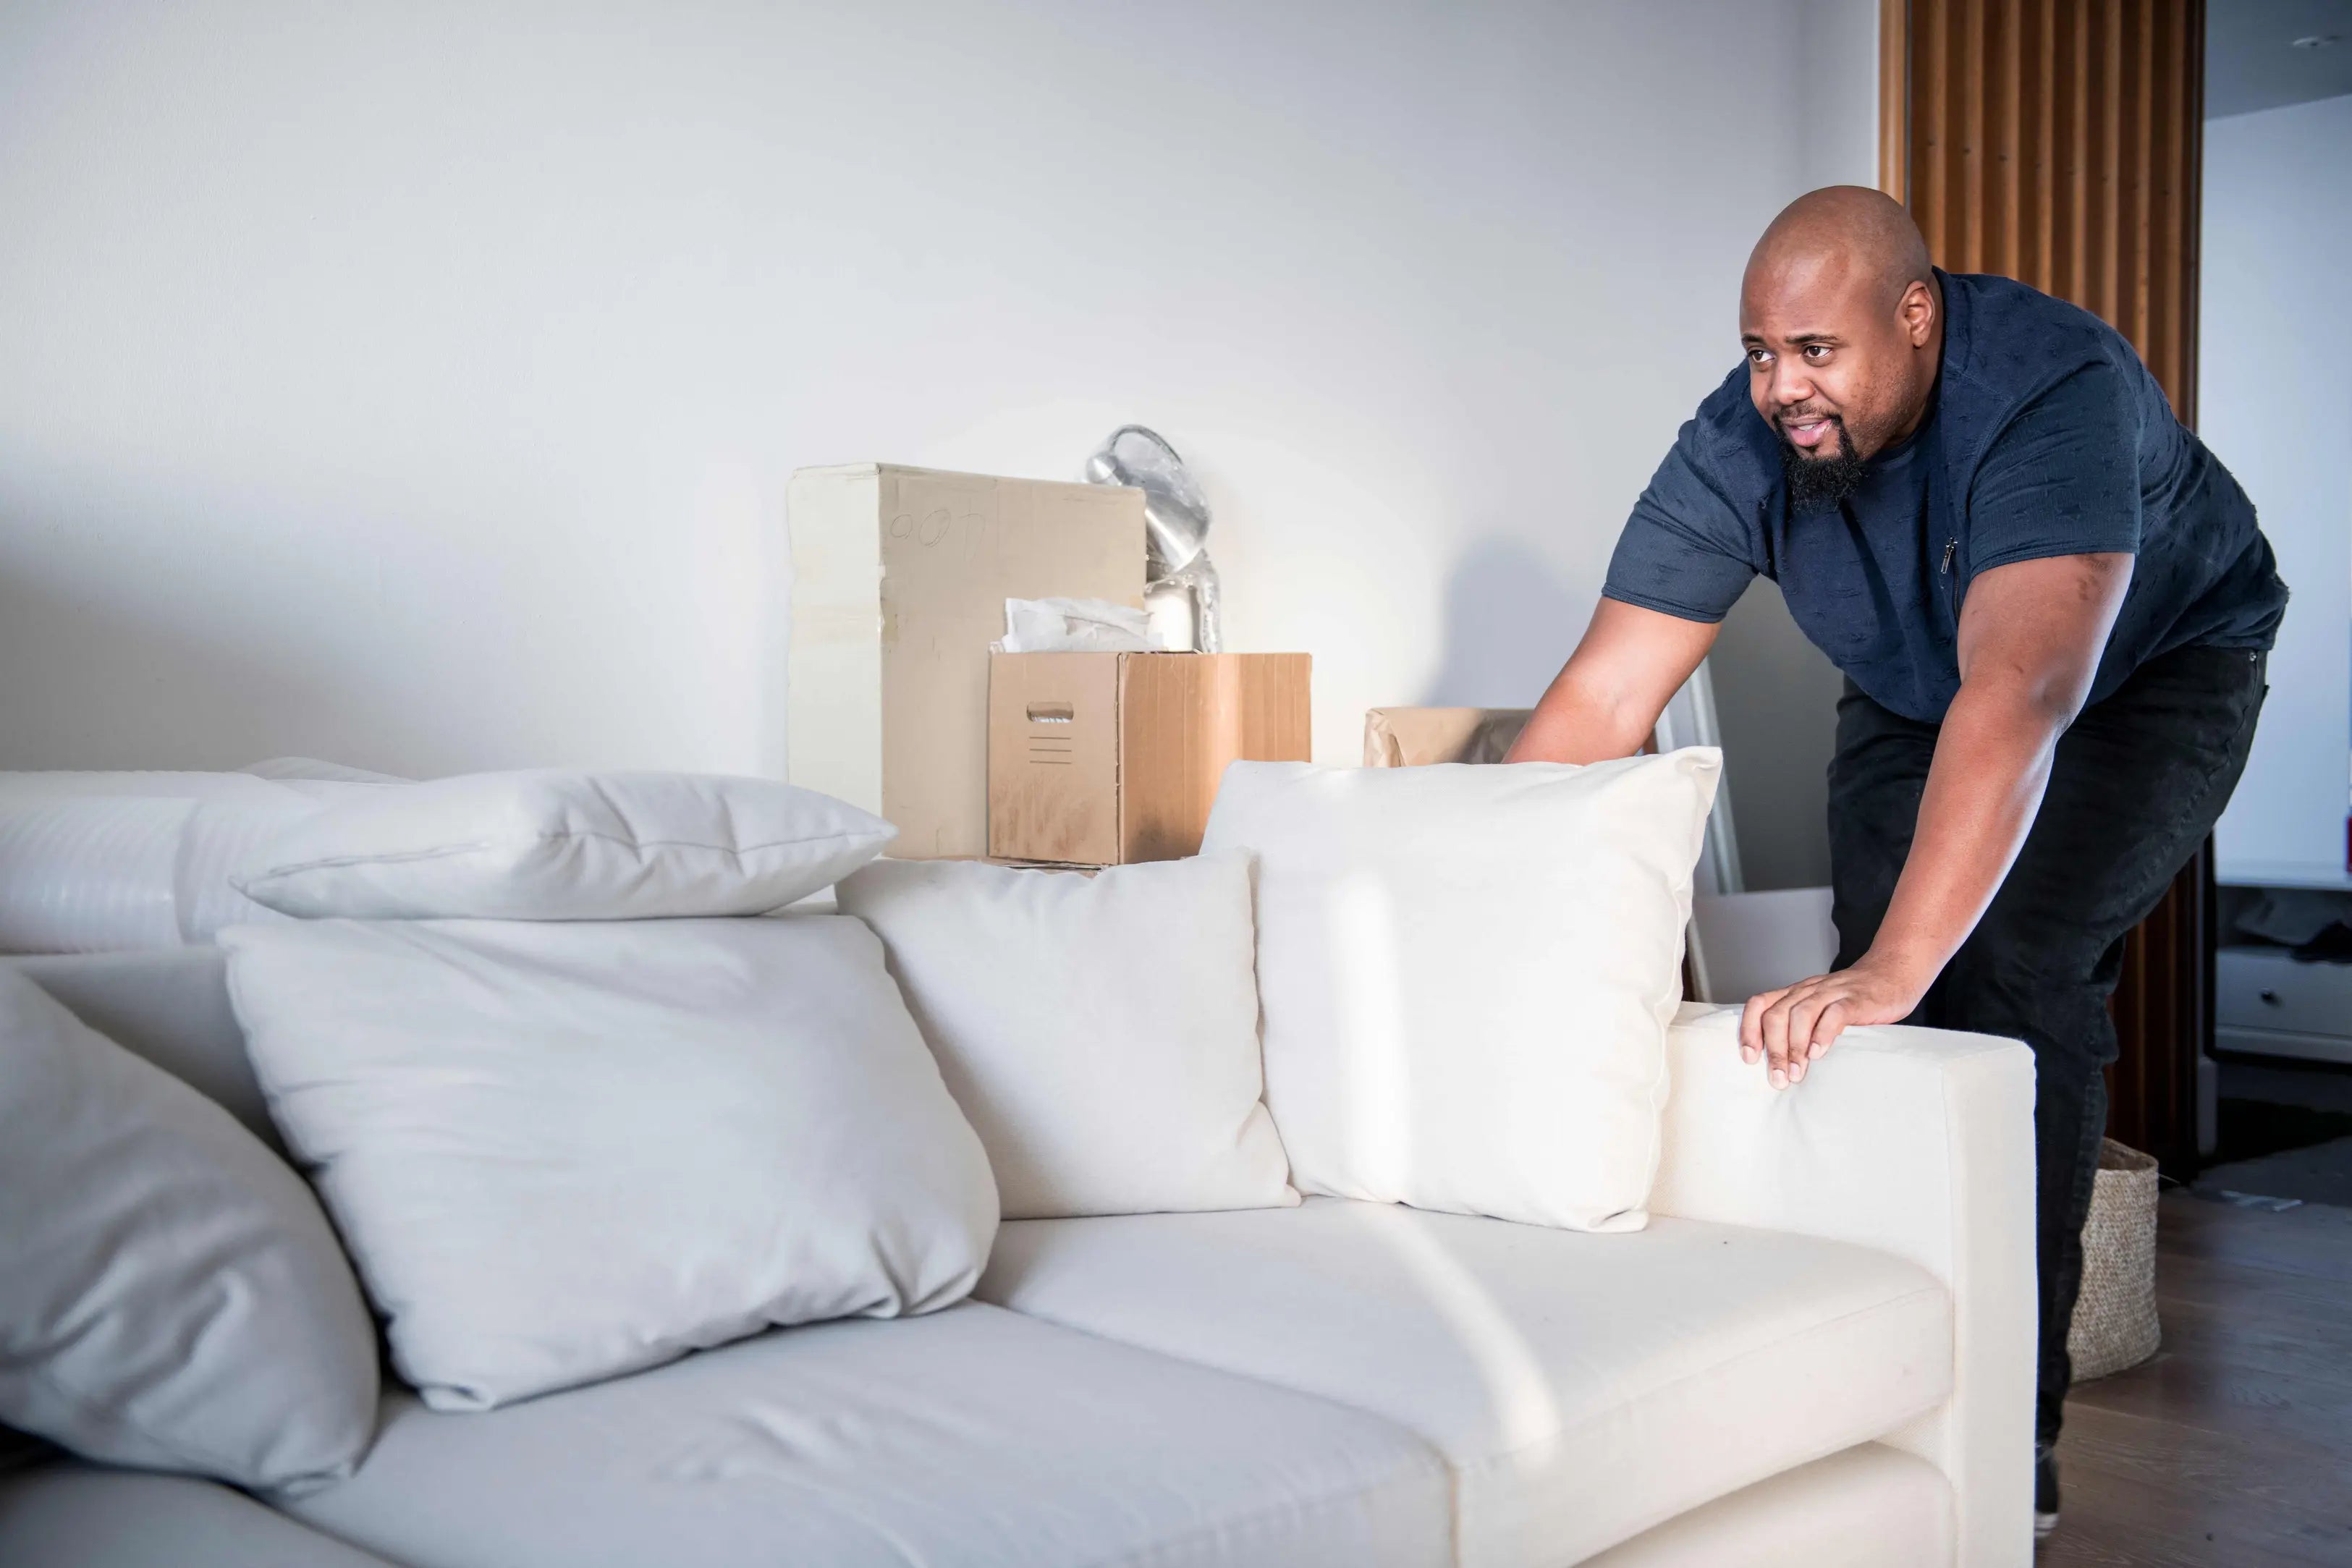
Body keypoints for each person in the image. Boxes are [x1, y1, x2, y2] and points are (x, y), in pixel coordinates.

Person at [1507, 185, 2285, 1539]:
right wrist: (1471, 904)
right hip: (1918, 679)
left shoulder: (2050, 387)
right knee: (1884, 1005)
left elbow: (2022, 696)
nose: (1779, 388)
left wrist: (1890, 966)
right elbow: (1597, 703)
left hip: (2149, 672)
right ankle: (1883, 1364)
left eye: (1816, 352)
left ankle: (2007, 1429)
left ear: (1915, 317)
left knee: (2015, 964)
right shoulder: (1735, 444)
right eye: (1758, 352)